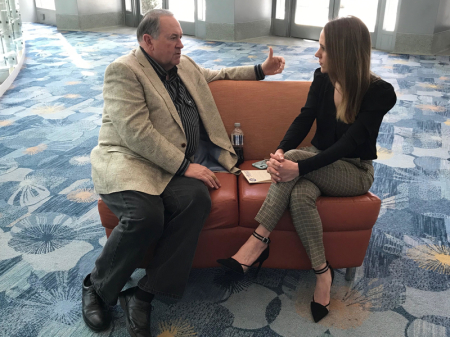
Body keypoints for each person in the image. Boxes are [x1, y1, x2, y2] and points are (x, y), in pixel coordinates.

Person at [81, 9, 285, 337]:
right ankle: (97, 287)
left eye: (181, 36)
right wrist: (184, 165)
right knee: (146, 216)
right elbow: (136, 132)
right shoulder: (124, 71)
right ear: (148, 41)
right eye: (173, 37)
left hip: (170, 168)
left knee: (197, 200)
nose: (181, 44)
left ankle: (144, 294)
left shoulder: (182, 65)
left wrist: (261, 69)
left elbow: (218, 74)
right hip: (130, 162)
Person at [217, 16, 397, 323]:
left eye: (323, 49)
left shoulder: (379, 91)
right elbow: (305, 118)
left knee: (298, 163)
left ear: (342, 52)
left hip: (353, 170)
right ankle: (323, 274)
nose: (317, 55)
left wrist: (297, 167)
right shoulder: (322, 77)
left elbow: (350, 143)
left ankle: (257, 242)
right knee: (299, 196)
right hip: (315, 159)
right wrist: (280, 151)